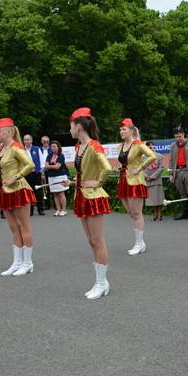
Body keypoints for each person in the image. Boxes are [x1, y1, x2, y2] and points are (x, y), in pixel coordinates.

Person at [68, 107, 113, 299]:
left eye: (70, 125)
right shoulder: (80, 147)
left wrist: (97, 182)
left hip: (94, 197)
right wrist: (73, 182)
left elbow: (107, 167)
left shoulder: (94, 145)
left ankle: (102, 283)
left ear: (78, 126)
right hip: (82, 196)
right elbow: (84, 172)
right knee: (91, 241)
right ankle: (99, 281)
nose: (69, 130)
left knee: (97, 240)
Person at [0, 118, 37, 276]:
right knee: (14, 228)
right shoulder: (0, 149)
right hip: (4, 191)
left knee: (24, 226)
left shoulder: (16, 147)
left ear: (8, 131)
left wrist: (15, 177)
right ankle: (17, 262)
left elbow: (30, 165)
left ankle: (28, 262)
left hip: (19, 190)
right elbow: (3, 169)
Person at [116, 118, 157, 255]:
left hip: (135, 182)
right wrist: (119, 169)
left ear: (132, 131)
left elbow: (152, 156)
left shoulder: (138, 144)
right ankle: (140, 243)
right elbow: (124, 163)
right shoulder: (121, 146)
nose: (121, 131)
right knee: (130, 213)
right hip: (123, 181)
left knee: (136, 213)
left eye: (124, 129)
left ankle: (139, 243)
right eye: (120, 129)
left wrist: (139, 169)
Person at [169, 127, 188, 220]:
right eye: (176, 137)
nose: (178, 139)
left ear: (183, 134)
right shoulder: (173, 146)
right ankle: (183, 213)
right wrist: (171, 174)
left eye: (179, 136)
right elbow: (171, 160)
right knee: (182, 193)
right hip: (177, 172)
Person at [44, 140, 70, 216]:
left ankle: (64, 210)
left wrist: (49, 166)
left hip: (60, 176)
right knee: (55, 194)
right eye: (51, 146)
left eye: (54, 146)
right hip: (51, 176)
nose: (53, 148)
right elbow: (46, 165)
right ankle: (58, 209)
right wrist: (51, 166)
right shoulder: (49, 155)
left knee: (61, 193)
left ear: (58, 147)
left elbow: (57, 167)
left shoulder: (61, 155)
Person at [22, 134, 45, 216]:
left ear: (31, 140)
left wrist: (42, 172)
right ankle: (30, 210)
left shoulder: (37, 149)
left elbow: (42, 161)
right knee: (28, 192)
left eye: (28, 139)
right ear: (23, 141)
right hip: (26, 174)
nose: (27, 141)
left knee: (38, 192)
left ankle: (40, 209)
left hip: (36, 173)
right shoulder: (21, 150)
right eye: (25, 140)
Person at [144, 142, 165, 221]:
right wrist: (146, 176)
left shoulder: (159, 156)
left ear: (154, 147)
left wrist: (153, 176)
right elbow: (140, 168)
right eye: (148, 146)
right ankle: (155, 214)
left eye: (151, 146)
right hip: (148, 181)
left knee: (159, 198)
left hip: (156, 180)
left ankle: (160, 214)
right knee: (152, 199)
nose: (150, 148)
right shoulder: (143, 157)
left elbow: (161, 167)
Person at [39, 136, 52, 211]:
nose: (46, 143)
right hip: (42, 171)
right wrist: (42, 173)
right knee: (43, 188)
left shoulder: (52, 149)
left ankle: (53, 204)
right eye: (44, 142)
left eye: (47, 141)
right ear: (42, 142)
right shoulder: (39, 149)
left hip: (50, 170)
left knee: (51, 188)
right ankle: (45, 204)